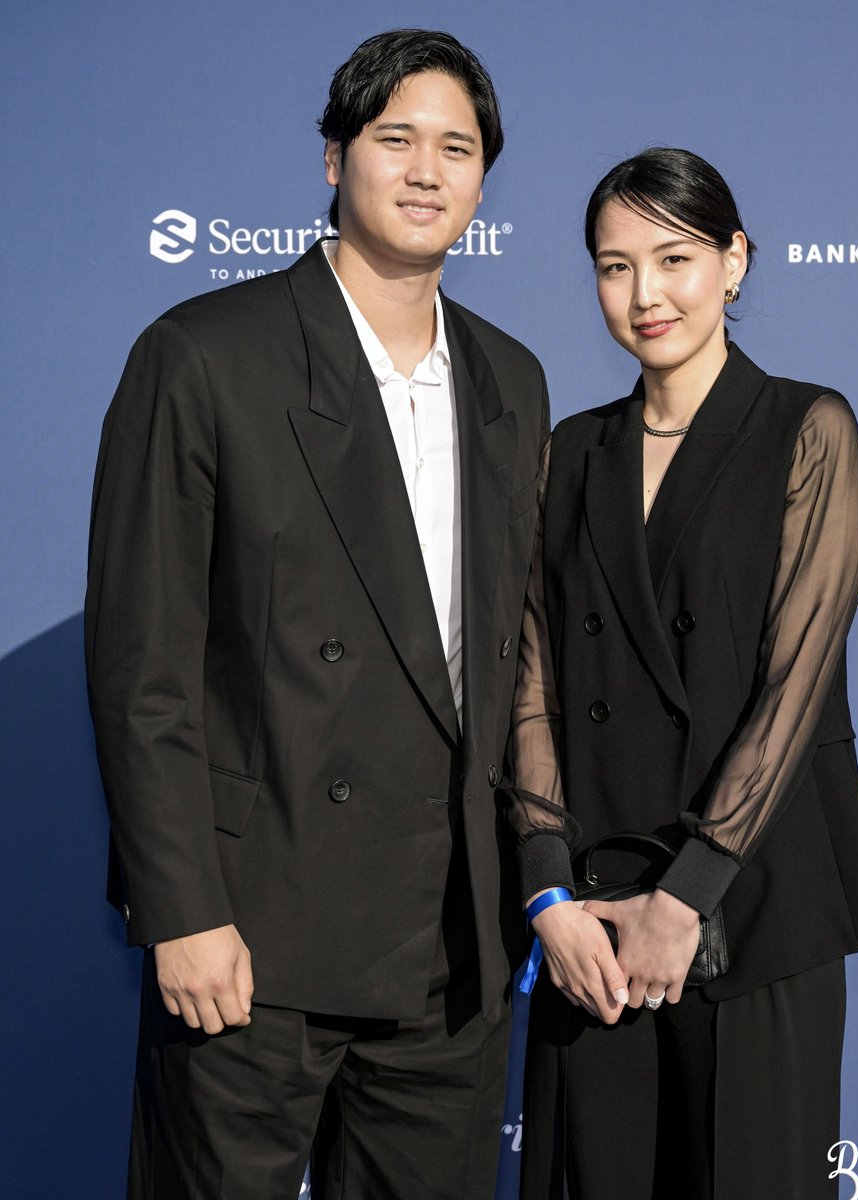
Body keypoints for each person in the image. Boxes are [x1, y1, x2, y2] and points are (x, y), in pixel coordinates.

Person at [85, 29, 548, 1200]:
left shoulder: (513, 378)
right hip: (254, 941)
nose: (427, 170)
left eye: (457, 146)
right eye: (396, 139)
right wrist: (182, 911)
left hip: (453, 950)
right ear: (334, 158)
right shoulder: (204, 356)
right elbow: (145, 666)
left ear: (484, 179)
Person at [502, 148, 858, 1200]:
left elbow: (795, 686)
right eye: (613, 265)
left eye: (674, 258)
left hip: (753, 904)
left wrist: (686, 897)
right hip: (592, 920)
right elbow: (533, 680)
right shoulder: (570, 451)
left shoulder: (808, 429)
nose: (645, 294)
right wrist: (546, 886)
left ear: (735, 262)